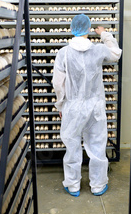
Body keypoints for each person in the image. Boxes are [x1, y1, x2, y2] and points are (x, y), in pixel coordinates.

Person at [52, 14, 122, 197]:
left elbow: (58, 84)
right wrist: (105, 34)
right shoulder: (98, 49)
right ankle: (98, 185)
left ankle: (73, 184)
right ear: (89, 29)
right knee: (97, 146)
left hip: (72, 107)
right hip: (95, 107)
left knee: (72, 146)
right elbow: (116, 54)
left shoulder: (64, 53)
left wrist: (60, 105)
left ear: (72, 29)